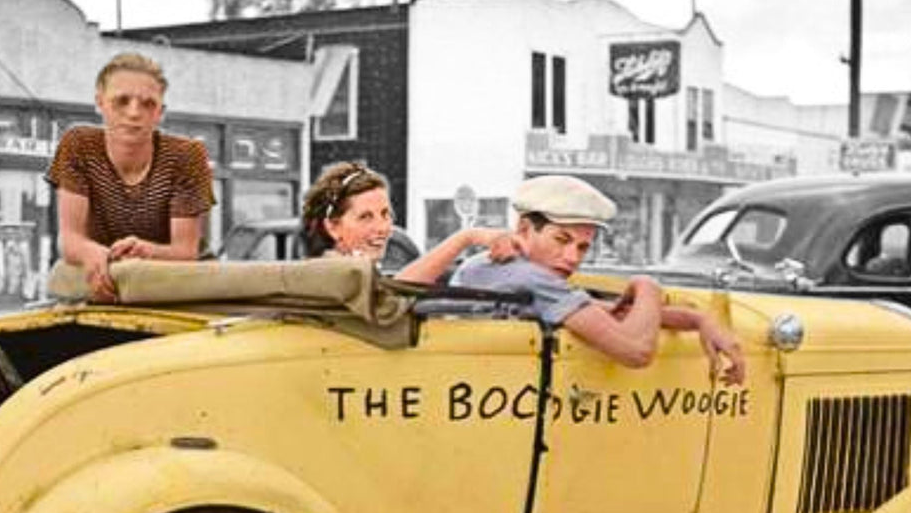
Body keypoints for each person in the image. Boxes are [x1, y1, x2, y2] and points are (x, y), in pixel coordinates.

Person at [453, 175, 745, 384]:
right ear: (525, 228)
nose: (571, 258)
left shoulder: (487, 265)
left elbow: (607, 312)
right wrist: (648, 286)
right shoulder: (533, 277)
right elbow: (637, 351)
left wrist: (698, 320)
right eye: (561, 239)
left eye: (582, 247)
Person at [46, 52, 215, 301]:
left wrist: (146, 251)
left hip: (178, 288)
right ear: (99, 102)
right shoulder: (78, 144)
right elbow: (69, 239)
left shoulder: (187, 155)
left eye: (148, 104)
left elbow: (186, 251)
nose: (134, 113)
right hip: (101, 283)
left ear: (161, 112)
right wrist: (91, 252)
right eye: (121, 101)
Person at [300, 161, 515, 283]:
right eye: (365, 217)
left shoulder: (333, 271)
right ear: (333, 227)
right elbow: (392, 298)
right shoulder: (335, 275)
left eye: (385, 214)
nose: (382, 228)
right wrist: (468, 237)